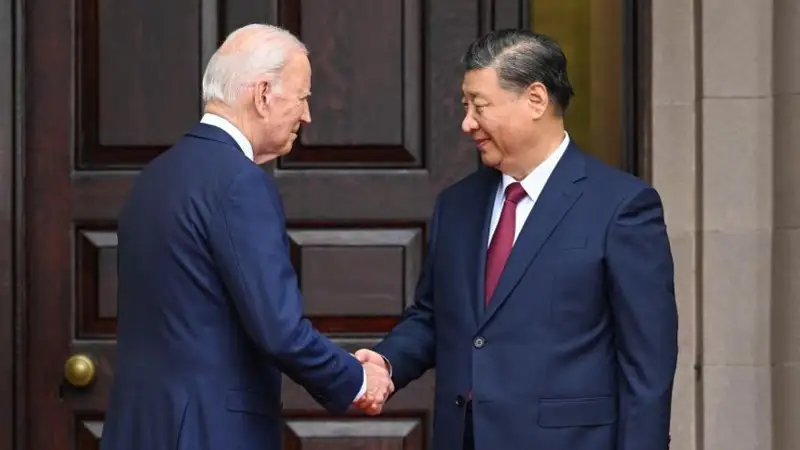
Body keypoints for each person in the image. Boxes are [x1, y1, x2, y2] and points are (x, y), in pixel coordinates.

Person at [354, 29, 678, 450]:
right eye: (466, 105)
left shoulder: (621, 206)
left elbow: (647, 364)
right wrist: (387, 362)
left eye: (479, 106)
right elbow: (435, 316)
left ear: (536, 100)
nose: (467, 122)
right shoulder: (457, 205)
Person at [100, 24, 392, 450]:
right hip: (208, 433)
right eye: (303, 97)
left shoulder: (155, 177)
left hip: (139, 430)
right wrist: (357, 379)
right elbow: (279, 329)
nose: (307, 115)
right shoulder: (239, 182)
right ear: (263, 94)